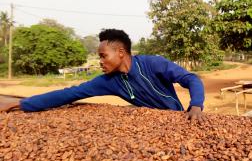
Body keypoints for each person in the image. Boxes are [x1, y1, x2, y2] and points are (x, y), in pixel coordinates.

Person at [0, 29, 206, 122]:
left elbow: (191, 79)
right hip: (150, 124)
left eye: (103, 56)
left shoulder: (153, 63)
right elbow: (69, 93)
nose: (100, 61)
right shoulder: (109, 82)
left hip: (178, 118)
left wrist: (196, 105)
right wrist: (23, 104)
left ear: (121, 53)